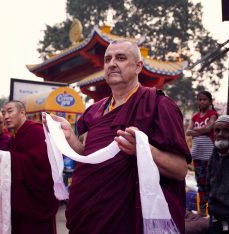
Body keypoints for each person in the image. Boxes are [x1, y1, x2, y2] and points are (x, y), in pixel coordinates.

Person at [44, 40, 191, 233]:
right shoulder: (94, 110)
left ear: (138, 66)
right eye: (107, 59)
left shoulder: (158, 105)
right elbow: (89, 155)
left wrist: (143, 151)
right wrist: (69, 137)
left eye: (121, 58)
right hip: (89, 210)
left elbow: (180, 170)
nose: (112, 63)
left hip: (129, 215)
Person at [0, 101, 59, 234]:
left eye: (10, 111)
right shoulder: (13, 138)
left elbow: (42, 165)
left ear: (22, 112)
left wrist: (9, 158)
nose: (6, 117)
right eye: (3, 113)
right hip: (20, 200)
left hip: (36, 200)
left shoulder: (36, 131)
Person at [186, 91, 218, 216]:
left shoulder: (213, 114)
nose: (202, 102)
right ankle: (203, 211)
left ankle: (214, 211)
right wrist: (200, 131)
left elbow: (209, 128)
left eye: (204, 99)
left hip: (209, 155)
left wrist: (195, 130)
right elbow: (188, 132)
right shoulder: (194, 116)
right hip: (197, 155)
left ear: (210, 101)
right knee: (200, 184)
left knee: (211, 183)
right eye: (199, 99)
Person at [207, 115, 229, 233]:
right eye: (217, 130)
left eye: (226, 130)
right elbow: (208, 182)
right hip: (215, 220)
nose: (220, 134)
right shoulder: (214, 154)